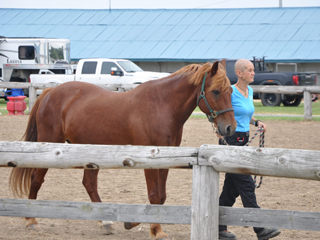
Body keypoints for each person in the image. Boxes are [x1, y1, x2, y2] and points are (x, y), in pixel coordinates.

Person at [218, 59, 281, 240]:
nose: (253, 73)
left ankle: (218, 227)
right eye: (250, 70)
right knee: (246, 184)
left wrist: (256, 122)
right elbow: (219, 112)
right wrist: (218, 132)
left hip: (243, 140)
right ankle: (260, 228)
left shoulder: (250, 90)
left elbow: (245, 113)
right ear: (239, 73)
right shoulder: (229, 91)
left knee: (231, 189)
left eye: (253, 70)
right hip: (231, 140)